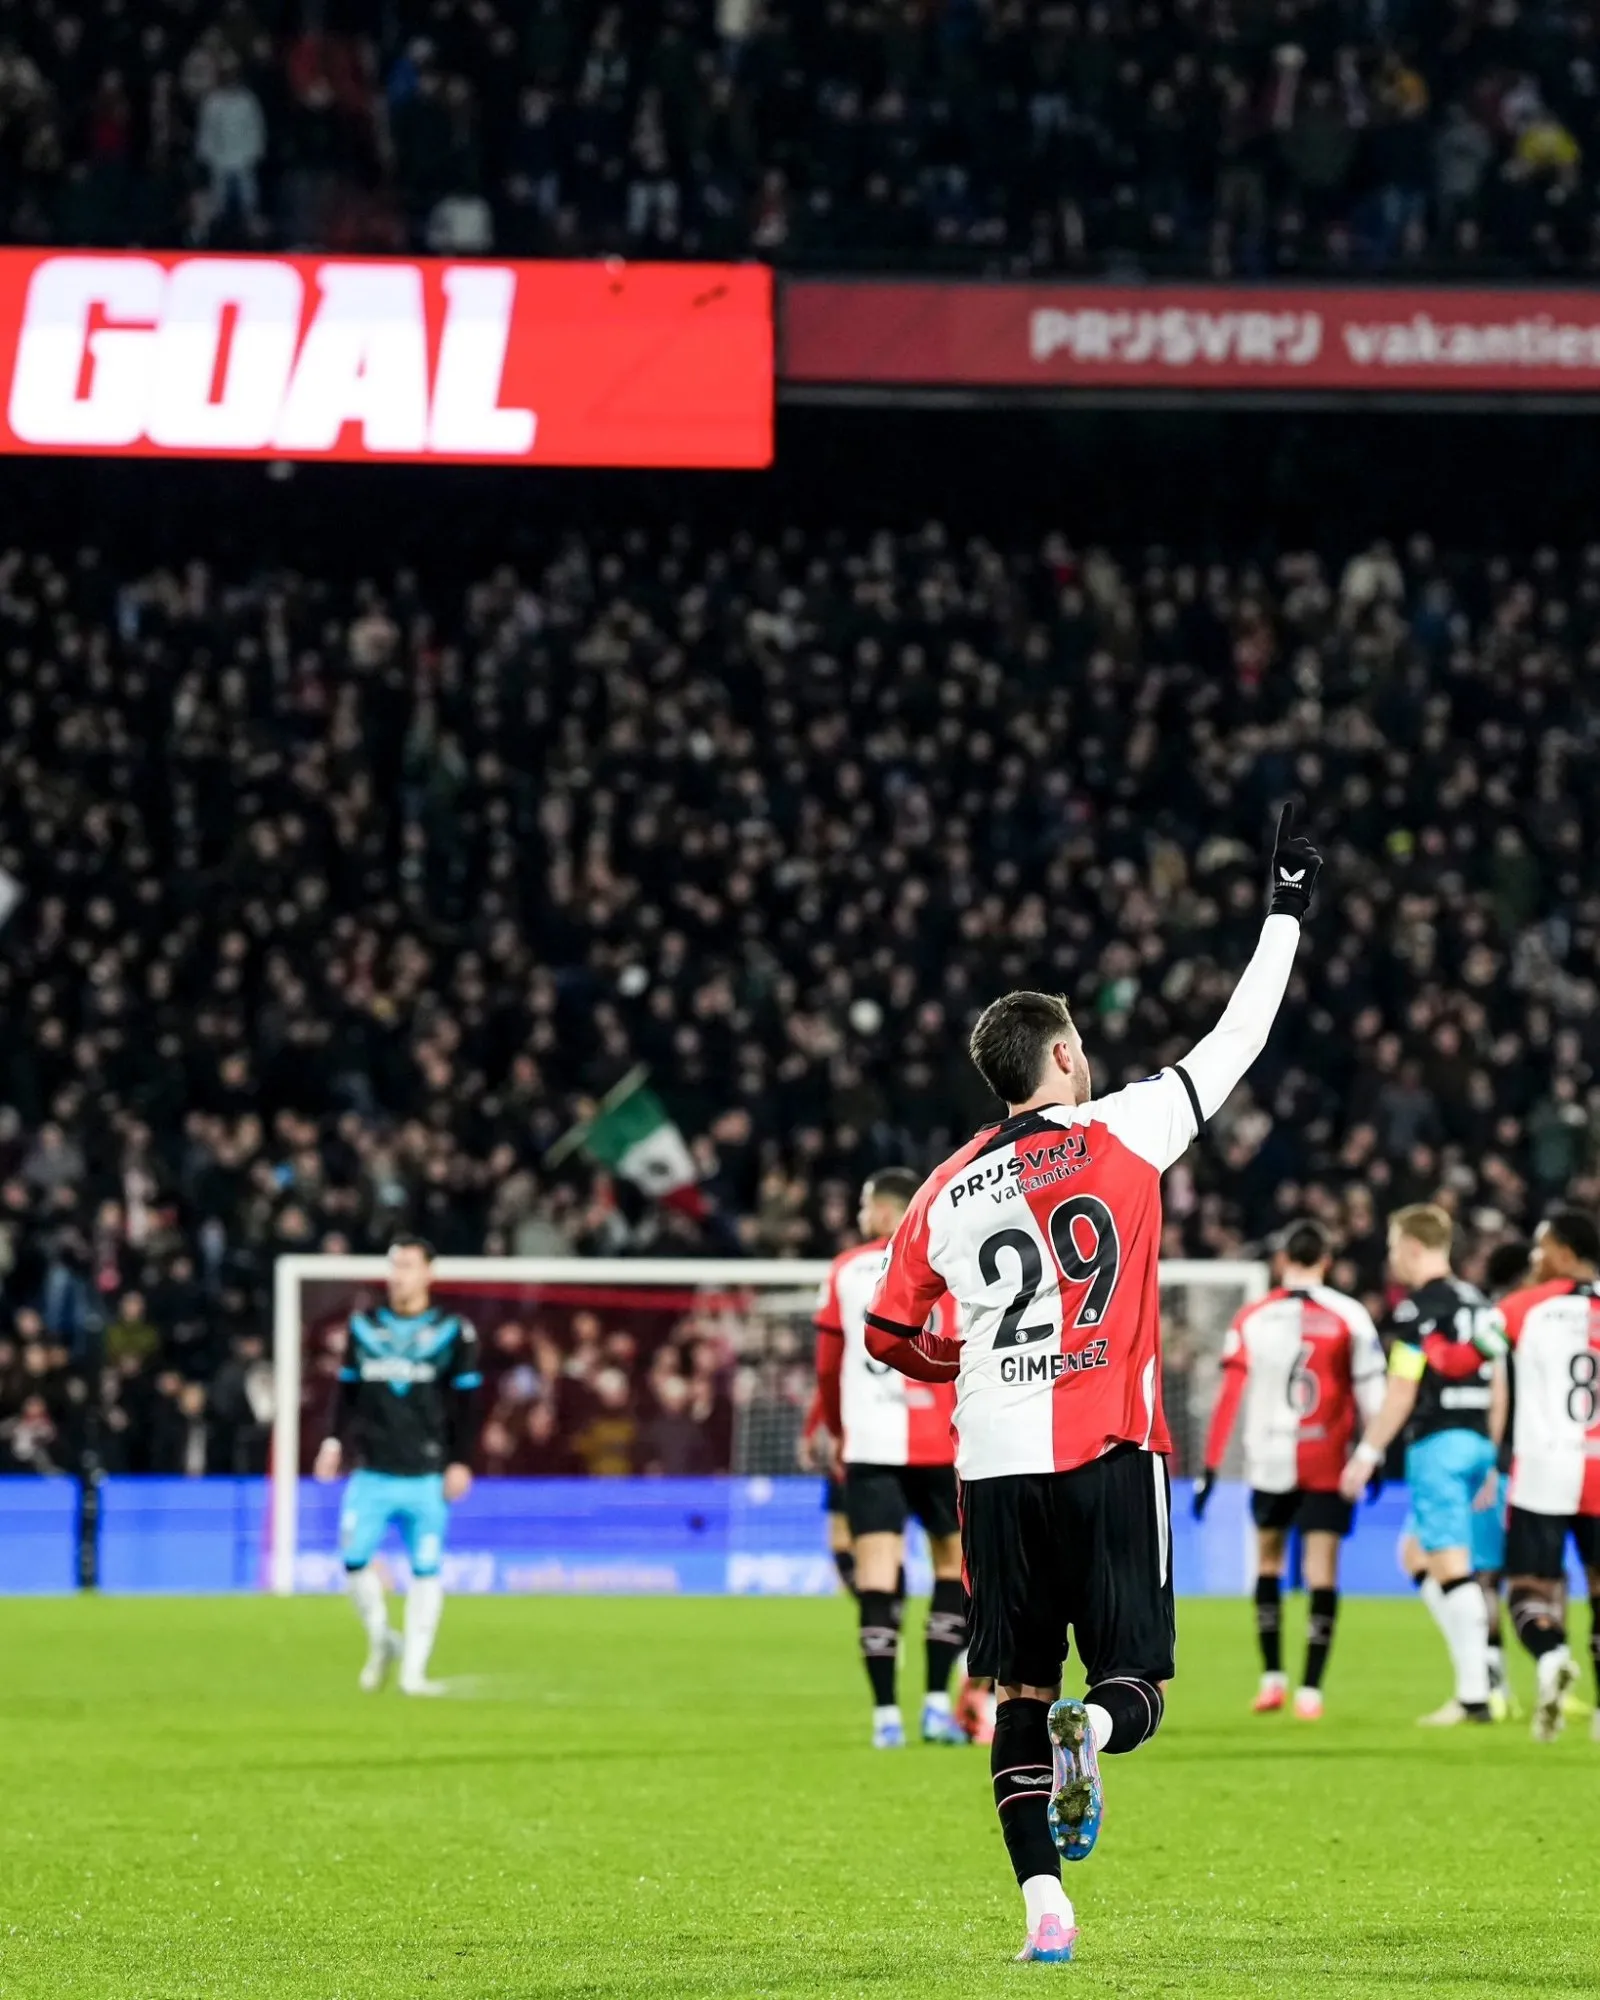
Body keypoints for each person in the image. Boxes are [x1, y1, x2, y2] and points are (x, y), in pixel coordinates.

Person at [864, 806, 1321, 1965]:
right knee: (1137, 1688)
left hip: (992, 1465)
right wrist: (1284, 908)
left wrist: (960, 1358)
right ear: (1063, 1057)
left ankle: (1045, 1912)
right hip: (1112, 1451)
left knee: (1013, 1689)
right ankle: (1099, 1724)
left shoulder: (941, 1191)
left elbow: (883, 1331)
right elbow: (1238, 1034)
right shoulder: (1127, 1128)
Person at [1193, 1219, 1385, 1719]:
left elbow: (1229, 1395)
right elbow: (1371, 1391)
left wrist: (1211, 1466)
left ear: (1282, 1262)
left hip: (1269, 1457)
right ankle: (1311, 1693)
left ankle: (1271, 1678)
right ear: (1326, 1261)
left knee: (1268, 1563)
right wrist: (1374, 1451)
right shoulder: (1351, 1315)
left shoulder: (1253, 1316)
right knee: (1323, 1569)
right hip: (1329, 1457)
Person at [813, 1168, 968, 1748]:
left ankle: (885, 1717)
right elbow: (963, 1351)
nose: (860, 1215)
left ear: (884, 1211)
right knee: (952, 1569)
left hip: (871, 1446)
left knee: (876, 1577)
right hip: (941, 1442)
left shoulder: (847, 1270)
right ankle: (934, 1704)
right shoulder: (951, 1260)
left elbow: (827, 1366)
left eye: (864, 1204)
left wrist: (834, 1429)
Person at [1339, 1204, 1508, 1725]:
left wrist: (1366, 1454)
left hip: (1437, 1444)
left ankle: (1477, 1695)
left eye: (1393, 1248)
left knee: (1453, 1567)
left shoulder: (1416, 1312)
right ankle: (1485, 1667)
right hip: (1479, 1441)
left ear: (1413, 1247)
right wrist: (1493, 1455)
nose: (1392, 1259)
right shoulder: (1480, 1304)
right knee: (1415, 1553)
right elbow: (1499, 1382)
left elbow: (1401, 1390)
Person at [313, 1236, 480, 1695]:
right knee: (352, 1563)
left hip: (426, 1474)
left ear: (429, 1272)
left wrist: (462, 1461)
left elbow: (466, 1403)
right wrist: (332, 1442)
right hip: (371, 1471)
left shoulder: (453, 1332)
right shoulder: (364, 1328)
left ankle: (414, 1674)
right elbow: (345, 1393)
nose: (399, 1275)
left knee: (426, 1570)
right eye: (394, 1266)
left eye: (408, 1266)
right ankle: (383, 1641)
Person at [1496, 1209, 1600, 1742]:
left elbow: (1472, 1357)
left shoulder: (1523, 1308)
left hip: (1543, 1464)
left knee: (1527, 1590)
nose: (1534, 1260)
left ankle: (1551, 1653)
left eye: (1540, 1248)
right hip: (1599, 1466)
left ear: (1562, 1251)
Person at [1477, 1237, 1532, 1718]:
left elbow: (1491, 1389)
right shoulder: (1551, 1314)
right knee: (1540, 1577)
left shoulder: (1495, 1322)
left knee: (1486, 1575)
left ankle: (1493, 1682)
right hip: (1545, 1458)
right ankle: (1550, 1662)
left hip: (1501, 1458)